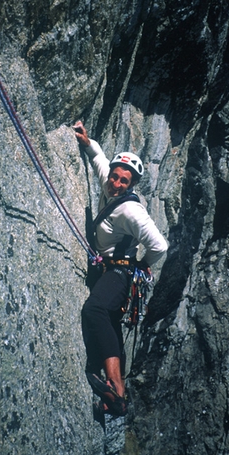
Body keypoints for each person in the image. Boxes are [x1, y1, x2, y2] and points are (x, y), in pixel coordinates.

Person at [74, 120, 168, 416]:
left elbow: (160, 246)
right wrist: (88, 142)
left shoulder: (130, 209)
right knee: (111, 325)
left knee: (95, 310)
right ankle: (117, 394)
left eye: (123, 181)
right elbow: (100, 161)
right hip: (112, 271)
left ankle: (114, 385)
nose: (115, 184)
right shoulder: (109, 183)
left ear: (132, 185)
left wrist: (142, 264)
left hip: (120, 273)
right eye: (115, 177)